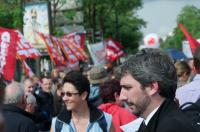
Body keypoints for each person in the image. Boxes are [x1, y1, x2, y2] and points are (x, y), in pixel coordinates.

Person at [119, 48, 196, 132]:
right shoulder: (158, 121)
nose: (121, 97)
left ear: (152, 87)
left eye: (127, 87)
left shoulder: (171, 127)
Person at [50, 71, 114, 132]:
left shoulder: (105, 120)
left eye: (69, 94)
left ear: (83, 95)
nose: (64, 98)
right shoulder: (57, 123)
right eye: (63, 94)